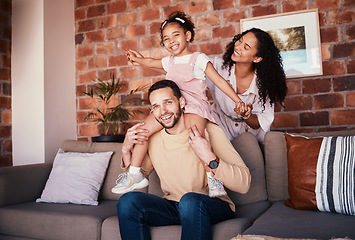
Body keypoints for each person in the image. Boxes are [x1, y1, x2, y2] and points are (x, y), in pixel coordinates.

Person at [112, 11, 246, 197]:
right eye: (166, 38)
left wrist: (238, 100)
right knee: (142, 131)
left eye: (176, 35)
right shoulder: (169, 61)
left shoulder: (198, 58)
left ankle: (213, 180)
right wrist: (137, 59)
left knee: (198, 140)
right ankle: (134, 174)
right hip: (172, 106)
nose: (171, 41)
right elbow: (152, 62)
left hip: (195, 106)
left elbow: (220, 82)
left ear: (188, 36)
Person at [116, 79, 251, 240]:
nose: (163, 111)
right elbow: (140, 174)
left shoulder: (208, 132)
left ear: (181, 102)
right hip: (174, 206)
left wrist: (209, 157)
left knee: (190, 201)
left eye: (168, 102)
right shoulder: (153, 139)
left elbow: (244, 184)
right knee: (127, 201)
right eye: (156, 107)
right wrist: (125, 150)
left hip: (212, 204)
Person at [207, 28, 287, 143]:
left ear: (257, 58)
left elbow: (257, 124)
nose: (238, 47)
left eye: (246, 47)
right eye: (240, 40)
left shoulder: (264, 85)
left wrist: (247, 115)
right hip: (221, 125)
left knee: (251, 149)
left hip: (251, 135)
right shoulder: (217, 66)